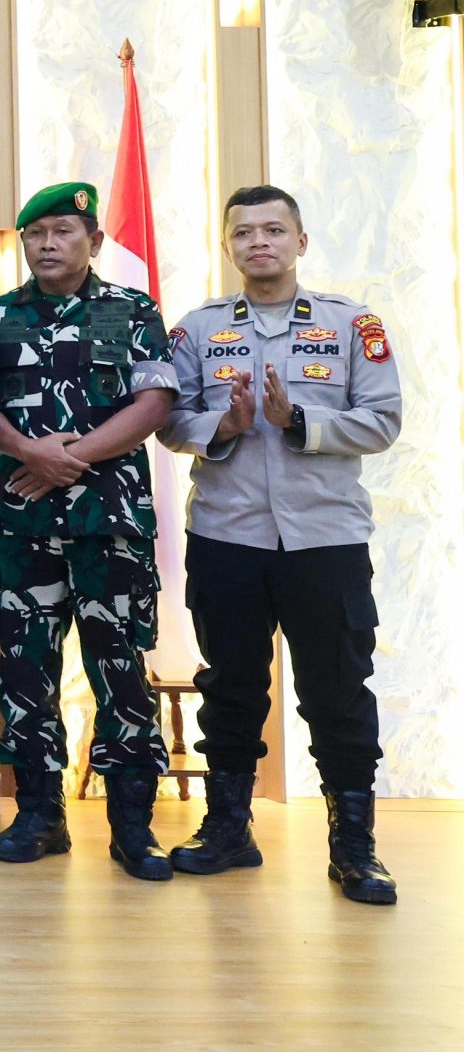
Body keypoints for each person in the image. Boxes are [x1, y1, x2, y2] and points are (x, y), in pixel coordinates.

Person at [158, 186, 400, 905]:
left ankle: (354, 848)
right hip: (226, 537)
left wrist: (298, 421)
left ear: (300, 241)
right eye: (244, 232)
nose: (258, 242)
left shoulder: (351, 323)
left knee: (337, 690)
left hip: (325, 538)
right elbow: (169, 420)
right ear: (227, 245)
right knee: (231, 687)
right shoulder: (198, 328)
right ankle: (228, 829)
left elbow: (383, 419)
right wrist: (224, 427)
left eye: (273, 229)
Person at [0, 181, 179, 881]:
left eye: (63, 231)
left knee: (119, 667)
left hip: (109, 524)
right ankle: (39, 814)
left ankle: (132, 825)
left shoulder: (132, 308)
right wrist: (29, 452)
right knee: (25, 668)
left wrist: (66, 458)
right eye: (35, 234)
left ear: (92, 240)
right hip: (22, 525)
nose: (48, 244)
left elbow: (154, 402)